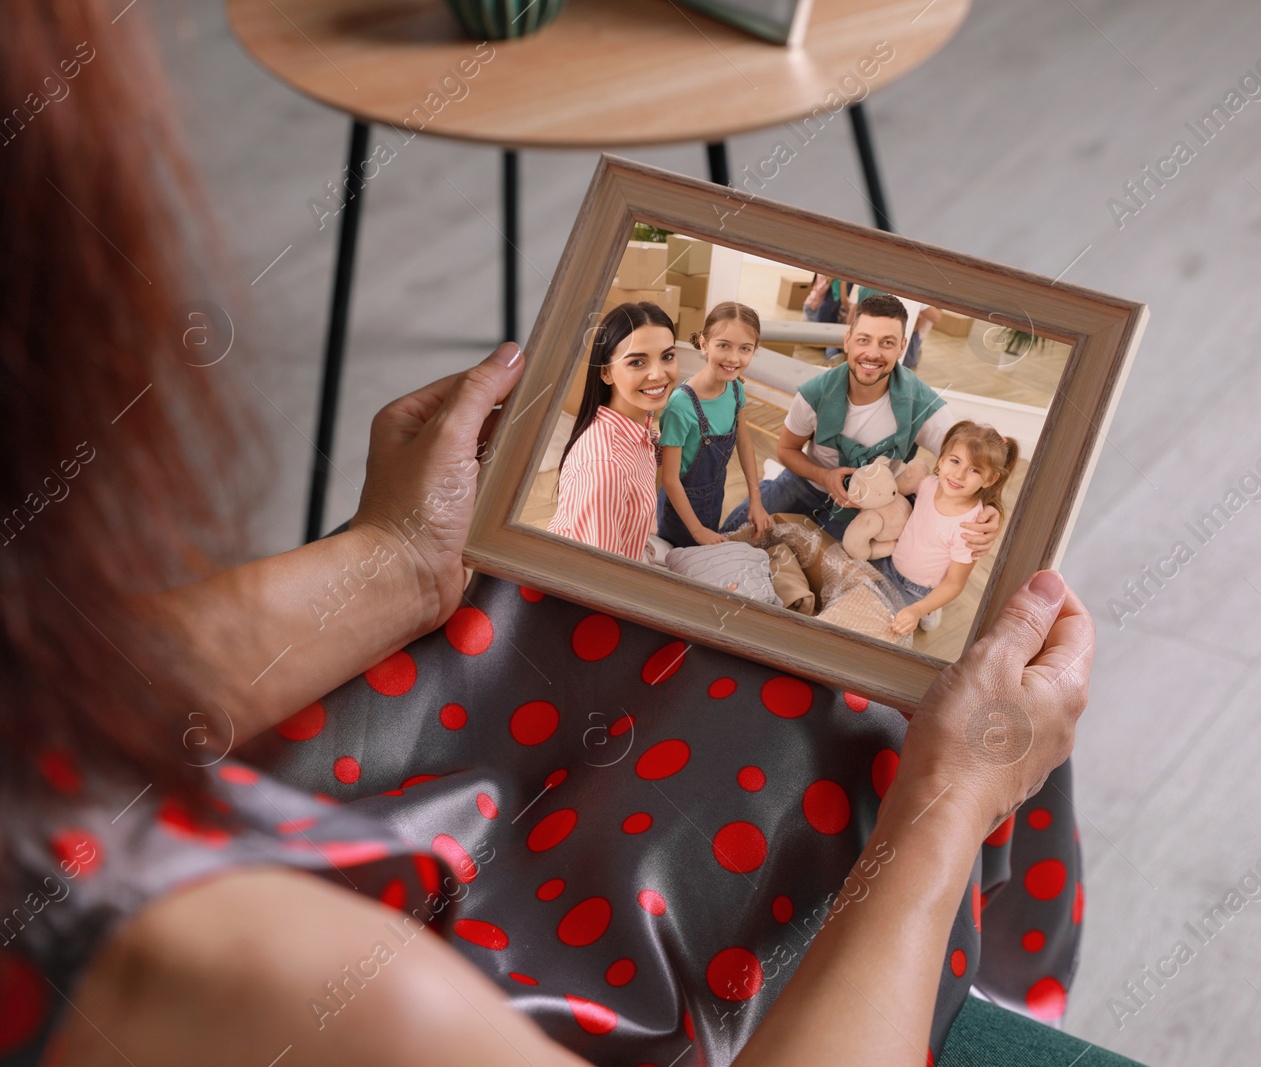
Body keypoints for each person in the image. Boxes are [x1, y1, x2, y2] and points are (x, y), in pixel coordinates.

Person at [0, 4, 1131, 1065]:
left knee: (613, 622)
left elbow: (57, 719)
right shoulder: (281, 986)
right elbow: (745, 476)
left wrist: (390, 559)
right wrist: (945, 805)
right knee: (842, 714)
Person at [721, 294, 1000, 553]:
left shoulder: (923, 405)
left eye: (887, 343)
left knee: (832, 567)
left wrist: (992, 508)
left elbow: (976, 461)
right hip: (806, 482)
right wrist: (824, 477)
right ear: (847, 340)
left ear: (902, 347)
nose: (873, 353)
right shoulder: (813, 393)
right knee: (735, 532)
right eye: (864, 340)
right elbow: (787, 450)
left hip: (865, 505)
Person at [547, 302, 677, 561]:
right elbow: (599, 578)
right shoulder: (604, 467)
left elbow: (647, 453)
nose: (658, 374)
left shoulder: (639, 422)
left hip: (635, 551)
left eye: (667, 356)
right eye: (637, 362)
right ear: (606, 372)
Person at [884, 422, 1020, 636]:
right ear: (941, 459)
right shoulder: (927, 484)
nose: (959, 474)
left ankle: (930, 607)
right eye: (955, 461)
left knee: (889, 627)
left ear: (990, 480)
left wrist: (917, 609)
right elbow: (891, 494)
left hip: (919, 590)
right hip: (889, 564)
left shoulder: (971, 528)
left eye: (974, 470)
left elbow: (955, 583)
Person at [656, 302, 773, 548]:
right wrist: (697, 530)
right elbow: (669, 479)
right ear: (703, 344)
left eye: (745, 349)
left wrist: (755, 499)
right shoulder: (680, 406)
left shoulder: (736, 388)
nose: (733, 357)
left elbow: (744, 443)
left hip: (714, 497)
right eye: (723, 345)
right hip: (680, 512)